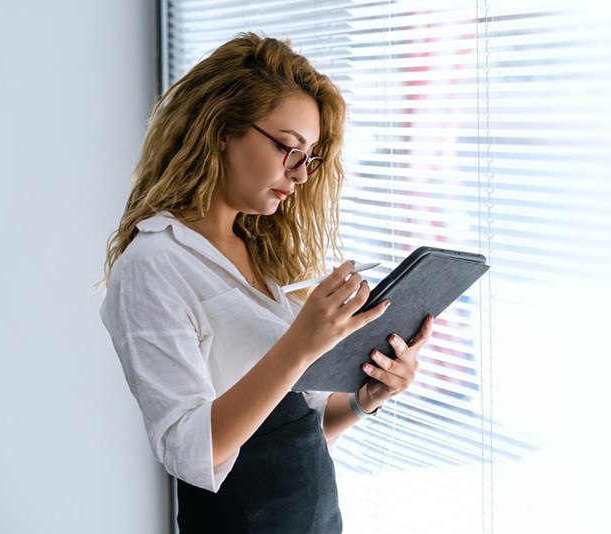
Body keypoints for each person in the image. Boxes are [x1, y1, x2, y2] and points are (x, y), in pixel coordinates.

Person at [100, 32, 433, 533]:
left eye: (311, 158)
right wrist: (301, 343)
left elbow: (297, 433)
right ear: (221, 129)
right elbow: (190, 450)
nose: (301, 175)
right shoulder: (152, 264)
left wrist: (368, 398)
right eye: (289, 149)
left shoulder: (260, 258)